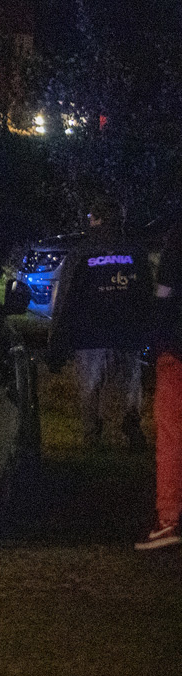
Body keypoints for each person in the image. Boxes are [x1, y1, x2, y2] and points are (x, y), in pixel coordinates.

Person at [47, 196, 150, 452]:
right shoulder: (135, 251)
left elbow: (65, 299)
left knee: (91, 388)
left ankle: (93, 435)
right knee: (130, 387)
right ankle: (131, 428)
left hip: (90, 335)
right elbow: (146, 294)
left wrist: (57, 340)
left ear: (99, 220)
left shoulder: (81, 253)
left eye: (92, 218)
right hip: (126, 333)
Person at [144, 210, 182, 549]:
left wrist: (155, 345)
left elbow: (162, 299)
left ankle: (169, 522)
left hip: (177, 352)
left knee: (172, 437)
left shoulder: (176, 240)